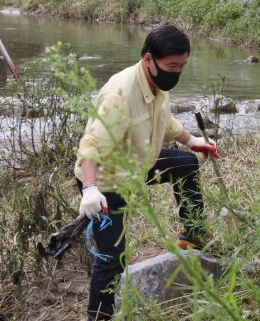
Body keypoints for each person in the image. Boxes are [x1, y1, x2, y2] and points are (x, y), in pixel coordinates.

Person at [73, 24, 220, 320]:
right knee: (114, 257)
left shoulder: (158, 85)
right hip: (107, 181)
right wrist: (90, 189)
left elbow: (165, 123)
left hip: (140, 165)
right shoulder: (120, 93)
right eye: (171, 65)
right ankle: (98, 318)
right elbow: (90, 144)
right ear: (149, 59)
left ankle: (193, 232)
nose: (177, 72)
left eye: (182, 66)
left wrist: (193, 141)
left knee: (186, 165)